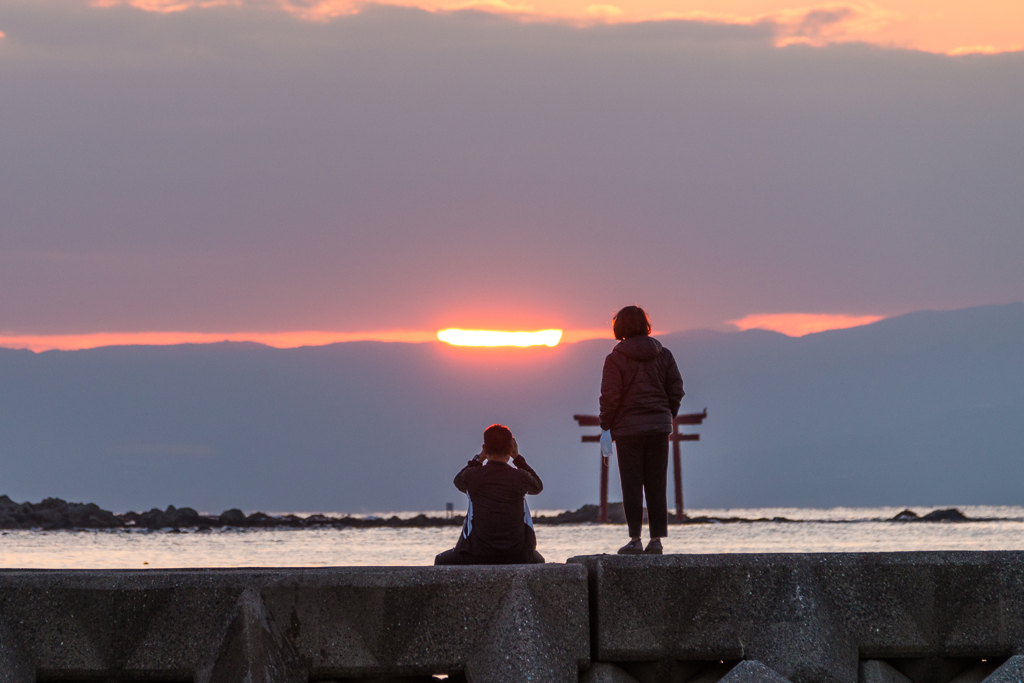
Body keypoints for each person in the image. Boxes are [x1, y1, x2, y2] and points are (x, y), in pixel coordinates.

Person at [599, 305, 684, 555]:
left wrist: (606, 424)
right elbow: (676, 388)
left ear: (619, 327)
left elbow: (610, 396)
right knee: (658, 484)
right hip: (659, 429)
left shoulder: (615, 358)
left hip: (628, 431)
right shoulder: (664, 354)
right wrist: (667, 415)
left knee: (632, 484)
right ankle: (656, 540)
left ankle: (635, 539)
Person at [434, 424, 545, 565]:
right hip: (518, 555)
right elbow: (537, 486)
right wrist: (518, 459)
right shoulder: (520, 477)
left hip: (476, 554)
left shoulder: (472, 476)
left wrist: (479, 458)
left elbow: (458, 481)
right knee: (539, 561)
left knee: (441, 561)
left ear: (485, 449)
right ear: (511, 449)